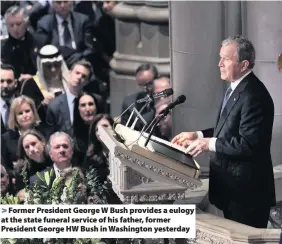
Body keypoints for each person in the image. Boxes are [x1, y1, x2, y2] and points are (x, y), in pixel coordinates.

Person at [172, 35, 275, 228]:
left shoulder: (254, 95)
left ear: (243, 65)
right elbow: (228, 130)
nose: (219, 64)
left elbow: (248, 145)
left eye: (226, 59)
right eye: (220, 58)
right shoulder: (236, 89)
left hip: (247, 196)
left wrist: (208, 144)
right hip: (232, 191)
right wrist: (199, 135)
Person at [1, 96, 49, 170]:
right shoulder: (5, 138)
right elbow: (6, 167)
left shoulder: (46, 131)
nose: (25, 115)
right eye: (20, 113)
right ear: (15, 117)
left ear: (33, 112)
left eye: (27, 111)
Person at [1, 5, 37, 79]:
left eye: (18, 24)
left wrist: (33, 78)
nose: (15, 28)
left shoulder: (37, 41)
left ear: (25, 23)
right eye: (11, 25)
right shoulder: (3, 48)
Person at [121, 63, 159, 131]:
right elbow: (124, 131)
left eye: (149, 84)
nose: (145, 89)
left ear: (157, 80)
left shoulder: (163, 99)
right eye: (141, 85)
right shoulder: (129, 103)